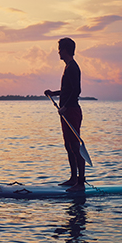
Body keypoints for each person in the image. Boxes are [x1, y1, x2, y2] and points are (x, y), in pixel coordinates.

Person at [44, 37, 85, 192]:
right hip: (66, 112)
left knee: (75, 146)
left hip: (72, 111)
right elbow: (68, 90)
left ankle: (80, 183)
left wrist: (65, 107)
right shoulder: (68, 67)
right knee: (68, 146)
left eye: (60, 48)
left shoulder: (73, 67)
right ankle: (73, 178)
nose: (58, 51)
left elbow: (76, 91)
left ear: (66, 50)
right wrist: (53, 93)